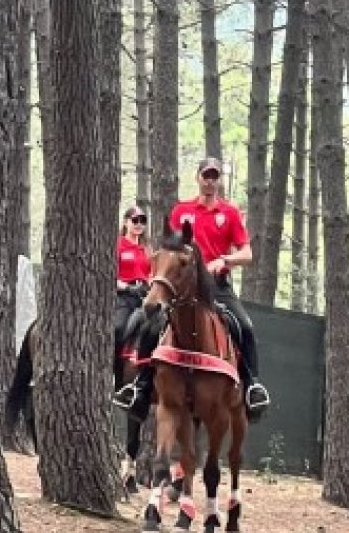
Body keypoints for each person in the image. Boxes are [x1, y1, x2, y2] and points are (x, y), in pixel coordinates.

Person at [112, 157, 272, 421]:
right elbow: (169, 249)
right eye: (206, 175)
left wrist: (225, 260)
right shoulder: (181, 211)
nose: (210, 181)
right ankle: (140, 387)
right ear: (197, 178)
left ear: (219, 181)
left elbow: (247, 253)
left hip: (216, 287)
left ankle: (252, 386)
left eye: (214, 176)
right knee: (150, 323)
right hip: (181, 288)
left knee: (244, 326)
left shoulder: (229, 213)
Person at [113, 206, 152, 390]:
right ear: (126, 222)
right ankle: (115, 374)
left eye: (142, 220)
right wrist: (128, 287)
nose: (139, 224)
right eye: (135, 220)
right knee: (119, 328)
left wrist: (148, 286)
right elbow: (111, 276)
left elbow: (151, 273)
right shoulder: (118, 245)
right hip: (124, 296)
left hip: (145, 296)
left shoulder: (147, 249)